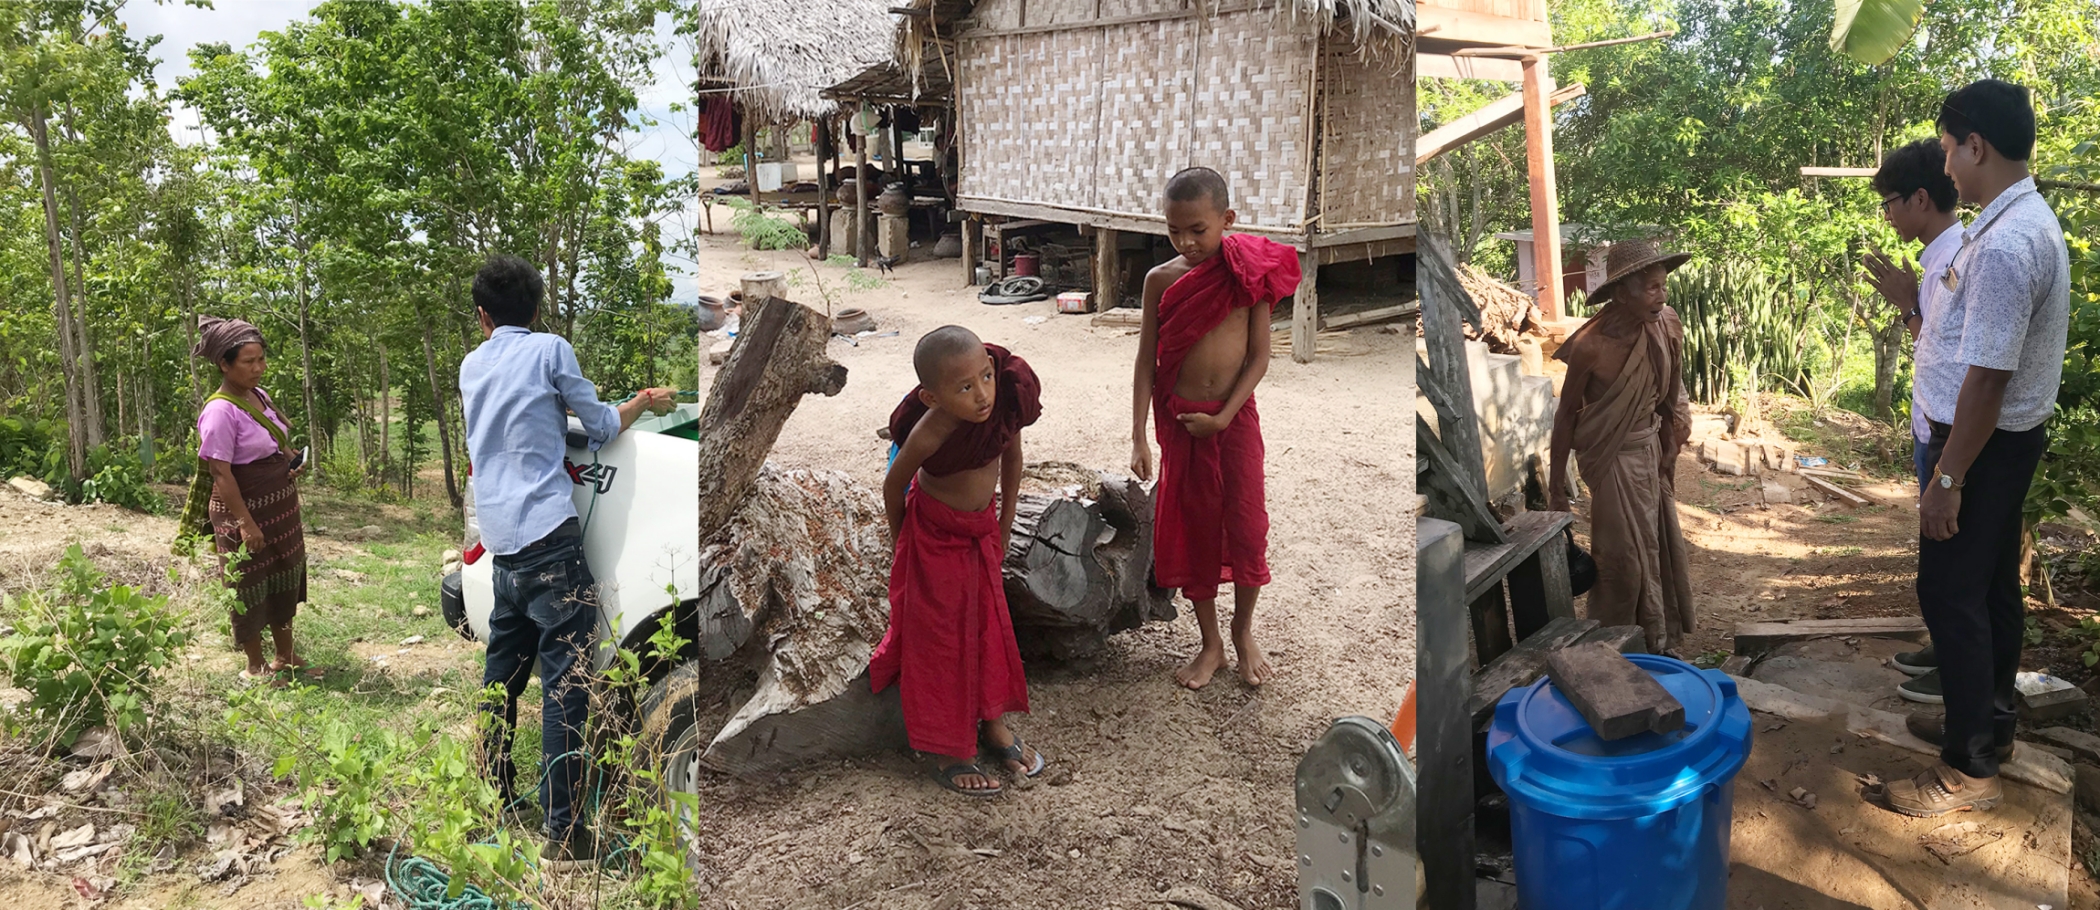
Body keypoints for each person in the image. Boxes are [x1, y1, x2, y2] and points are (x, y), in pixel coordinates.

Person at [1880, 79, 2068, 817]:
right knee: (1990, 588)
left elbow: (1986, 383)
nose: (1947, 168)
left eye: (1951, 150)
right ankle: (1988, 725)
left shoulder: (2007, 245)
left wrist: (1947, 479)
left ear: (1976, 146)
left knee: (1950, 593)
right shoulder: (2016, 223)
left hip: (1985, 446)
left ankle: (1966, 770)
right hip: (2006, 442)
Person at [458, 255, 674, 863]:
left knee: (500, 681)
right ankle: (564, 833)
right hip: (550, 540)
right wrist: (641, 402)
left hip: (502, 547)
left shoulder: (472, 365)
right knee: (565, 686)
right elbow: (601, 426)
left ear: (482, 317)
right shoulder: (552, 350)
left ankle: (492, 799)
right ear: (537, 309)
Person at [1131, 166, 1300, 690]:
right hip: (1180, 422)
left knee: (1247, 527)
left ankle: (1243, 630)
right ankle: (1210, 645)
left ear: (1226, 220)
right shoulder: (1159, 280)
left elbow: (1258, 357)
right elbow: (1145, 361)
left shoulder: (1248, 274)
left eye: (1198, 230)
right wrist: (1138, 435)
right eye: (1174, 230)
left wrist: (1224, 416)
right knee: (1195, 529)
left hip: (1233, 419)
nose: (1186, 241)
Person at [870, 326, 1045, 798]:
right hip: (934, 535)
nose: (982, 394)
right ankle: (948, 747)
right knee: (941, 639)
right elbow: (894, 484)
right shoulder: (933, 429)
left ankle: (993, 722)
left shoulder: (1003, 406)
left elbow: (1013, 460)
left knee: (989, 625)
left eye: (986, 377)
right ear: (931, 397)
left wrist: (1005, 527)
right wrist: (901, 544)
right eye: (964, 388)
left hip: (981, 529)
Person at [1546, 239, 1697, 656]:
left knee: (1658, 546)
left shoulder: (1666, 324)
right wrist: (1557, 490)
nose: (1661, 295)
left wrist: (1670, 446)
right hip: (1610, 460)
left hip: (1650, 453)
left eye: (1663, 285)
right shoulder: (1590, 346)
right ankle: (1614, 646)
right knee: (1622, 560)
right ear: (1620, 292)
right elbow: (1566, 417)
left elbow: (1669, 397)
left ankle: (1658, 640)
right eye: (1650, 287)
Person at [1864, 138, 1967, 706]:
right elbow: (1936, 347)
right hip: (1934, 431)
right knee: (1940, 562)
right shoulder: (1937, 261)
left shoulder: (1954, 263)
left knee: (1950, 567)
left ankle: (1956, 671)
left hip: (1951, 437)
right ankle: (1944, 649)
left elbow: (1958, 364)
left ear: (1920, 199)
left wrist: (1908, 306)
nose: (1887, 215)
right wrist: (1910, 305)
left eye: (1891, 202)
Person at [183, 316, 315, 686]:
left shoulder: (257, 395)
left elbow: (274, 438)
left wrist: (289, 458)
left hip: (279, 507)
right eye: (248, 362)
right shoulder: (220, 411)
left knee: (284, 574)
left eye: (261, 359)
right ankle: (255, 665)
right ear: (224, 365)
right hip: (245, 511)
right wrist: (245, 522)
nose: (258, 368)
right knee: (249, 583)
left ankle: (285, 657)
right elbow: (221, 473)